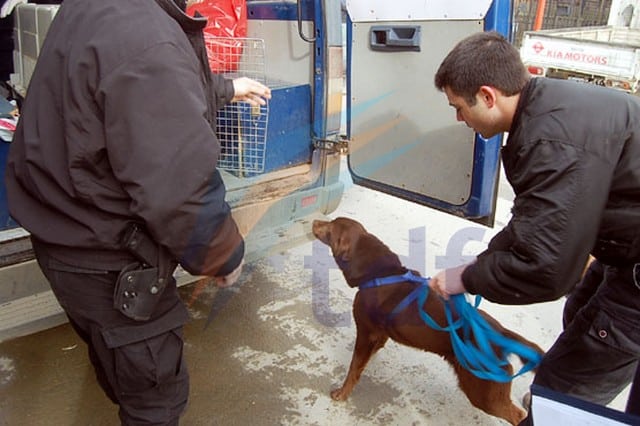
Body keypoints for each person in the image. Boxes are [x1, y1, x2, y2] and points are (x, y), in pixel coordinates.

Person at [5, 0, 271, 424]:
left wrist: (226, 87)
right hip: (110, 260)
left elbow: (138, 89)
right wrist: (221, 254)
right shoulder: (147, 35)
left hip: (64, 237)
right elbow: (179, 186)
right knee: (155, 398)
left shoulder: (102, 8)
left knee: (118, 363)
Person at [429, 31, 640, 424]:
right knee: (581, 312)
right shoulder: (547, 108)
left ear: (488, 97)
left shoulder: (551, 141)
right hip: (625, 253)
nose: (459, 118)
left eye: (459, 107)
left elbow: (547, 270)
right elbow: (535, 219)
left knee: (560, 390)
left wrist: (470, 278)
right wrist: (484, 260)